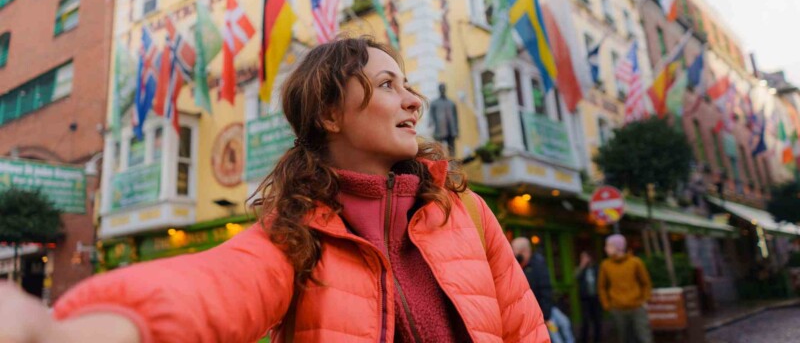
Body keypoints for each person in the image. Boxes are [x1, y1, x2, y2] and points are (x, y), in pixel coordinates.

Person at [0, 37, 550, 343]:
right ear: (330, 115)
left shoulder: (467, 211)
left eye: (407, 85)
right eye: (387, 84)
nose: (414, 100)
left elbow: (525, 332)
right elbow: (214, 285)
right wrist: (80, 330)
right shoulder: (295, 232)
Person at [512, 237, 575, 343]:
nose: (512, 253)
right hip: (535, 313)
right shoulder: (518, 266)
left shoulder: (538, 265)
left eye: (514, 250)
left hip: (544, 312)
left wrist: (545, 314)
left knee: (559, 334)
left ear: (524, 251)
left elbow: (545, 290)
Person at [598, 234, 653, 343]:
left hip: (637, 307)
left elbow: (646, 283)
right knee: (623, 338)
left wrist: (645, 300)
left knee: (644, 337)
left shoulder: (635, 262)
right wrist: (607, 305)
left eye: (608, 246)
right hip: (617, 308)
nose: (606, 249)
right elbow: (602, 287)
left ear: (618, 247)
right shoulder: (605, 265)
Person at [575, 251, 602, 343]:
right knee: (585, 320)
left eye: (585, 257)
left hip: (596, 298)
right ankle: (584, 339)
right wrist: (582, 266)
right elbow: (575, 276)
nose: (584, 259)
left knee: (597, 320)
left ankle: (597, 339)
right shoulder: (581, 269)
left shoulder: (596, 268)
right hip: (585, 299)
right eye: (582, 258)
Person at [429, 82, 459, 156]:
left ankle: (453, 163)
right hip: (439, 130)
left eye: (443, 88)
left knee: (452, 151)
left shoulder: (451, 103)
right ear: (439, 90)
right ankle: (441, 163)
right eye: (441, 88)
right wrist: (431, 126)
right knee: (439, 151)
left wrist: (457, 131)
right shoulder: (434, 103)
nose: (442, 90)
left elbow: (455, 118)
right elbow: (431, 116)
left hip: (451, 130)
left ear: (445, 89)